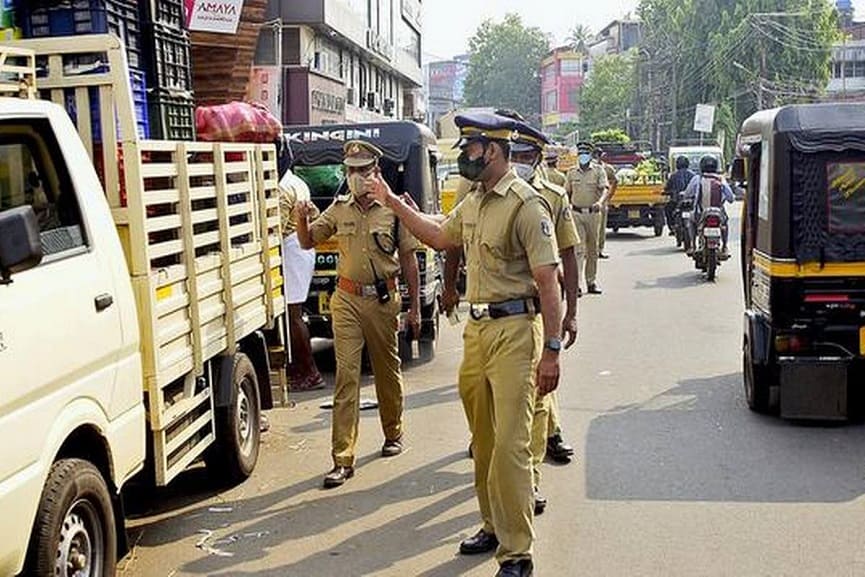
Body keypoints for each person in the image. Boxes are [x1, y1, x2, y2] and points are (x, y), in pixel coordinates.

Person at [365, 111, 562, 577]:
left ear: (492, 151)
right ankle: (492, 525)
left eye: (470, 150)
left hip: (516, 332)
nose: (465, 159)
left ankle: (517, 553)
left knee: (512, 445)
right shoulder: (474, 200)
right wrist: (393, 202)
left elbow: (548, 282)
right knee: (485, 441)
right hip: (477, 333)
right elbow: (438, 234)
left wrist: (552, 349)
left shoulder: (525, 204)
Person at [295, 140, 421, 489]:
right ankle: (342, 458)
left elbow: (409, 260)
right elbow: (308, 242)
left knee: (386, 371)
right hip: (346, 300)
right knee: (346, 377)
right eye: (349, 170)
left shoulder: (393, 209)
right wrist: (301, 219)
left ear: (374, 172)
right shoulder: (339, 209)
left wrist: (414, 308)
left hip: (383, 301)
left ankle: (392, 431)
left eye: (361, 170)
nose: (354, 176)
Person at [507, 117, 580, 516]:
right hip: (498, 317)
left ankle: (531, 475)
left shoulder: (551, 196)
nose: (515, 160)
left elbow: (568, 253)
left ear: (536, 157)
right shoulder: (484, 191)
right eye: (511, 153)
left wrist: (571, 312)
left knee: (537, 393)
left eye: (523, 155)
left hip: (537, 311)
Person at [278, 169, 325, 391]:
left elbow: (274, 228)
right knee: (293, 314)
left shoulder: (281, 188)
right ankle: (301, 370)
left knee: (292, 314)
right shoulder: (296, 181)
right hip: (300, 247)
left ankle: (310, 372)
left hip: (292, 247)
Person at [565, 142, 610, 295]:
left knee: (593, 250)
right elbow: (567, 193)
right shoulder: (571, 172)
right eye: (581, 153)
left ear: (590, 155)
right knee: (578, 250)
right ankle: (576, 285)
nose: (583, 156)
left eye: (586, 153)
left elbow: (604, 189)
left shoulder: (598, 171)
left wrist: (600, 202)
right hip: (576, 214)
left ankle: (591, 282)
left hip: (593, 213)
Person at [682, 155, 734, 258]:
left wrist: (686, 197)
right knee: (724, 224)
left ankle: (693, 245)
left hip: (700, 213)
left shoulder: (697, 178)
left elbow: (687, 194)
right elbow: (731, 198)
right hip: (718, 213)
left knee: (690, 221)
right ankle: (724, 247)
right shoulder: (721, 179)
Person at [594, 148, 617, 259]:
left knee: (601, 228)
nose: (597, 157)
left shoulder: (607, 169)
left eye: (598, 155)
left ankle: (599, 250)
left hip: (602, 203)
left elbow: (614, 182)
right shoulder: (589, 168)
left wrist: (609, 197)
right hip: (588, 202)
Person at [664, 156, 696, 238]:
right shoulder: (693, 175)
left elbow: (667, 188)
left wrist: (667, 192)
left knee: (668, 209)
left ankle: (672, 227)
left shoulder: (673, 176)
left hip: (677, 202)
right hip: (691, 202)